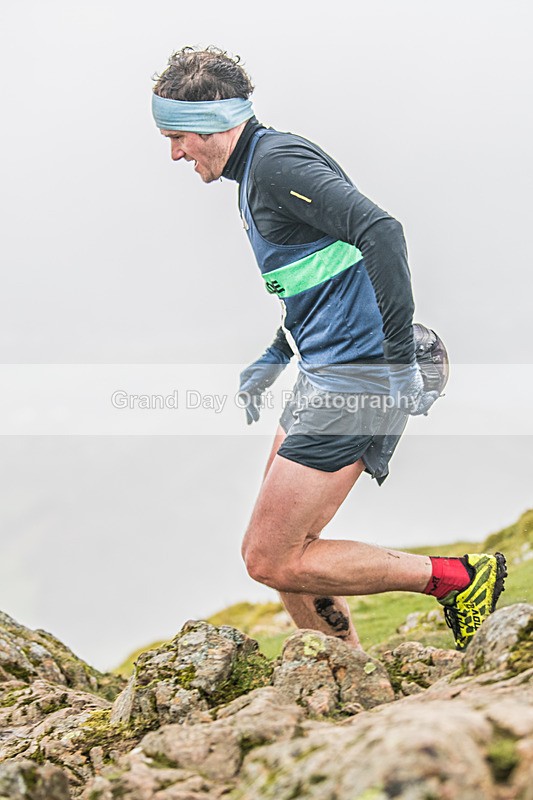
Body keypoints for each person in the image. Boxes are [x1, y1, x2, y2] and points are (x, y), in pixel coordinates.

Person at [152, 46, 507, 651]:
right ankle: (345, 673)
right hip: (323, 372)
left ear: (216, 118)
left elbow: (381, 232)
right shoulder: (256, 169)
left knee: (269, 557)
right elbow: (318, 278)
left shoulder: (275, 164)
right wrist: (275, 353)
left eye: (179, 135)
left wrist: (396, 363)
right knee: (281, 551)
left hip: (356, 377)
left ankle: (458, 579)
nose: (175, 153)